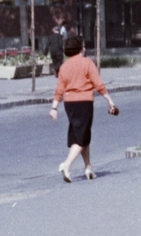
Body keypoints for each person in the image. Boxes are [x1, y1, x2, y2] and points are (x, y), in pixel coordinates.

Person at [49, 32, 118, 181]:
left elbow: (59, 89)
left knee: (80, 134)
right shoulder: (87, 63)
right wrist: (109, 100)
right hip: (84, 102)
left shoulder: (64, 67)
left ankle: (88, 168)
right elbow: (98, 84)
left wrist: (54, 107)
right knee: (82, 136)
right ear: (80, 48)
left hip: (69, 104)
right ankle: (66, 165)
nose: (85, 48)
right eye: (84, 45)